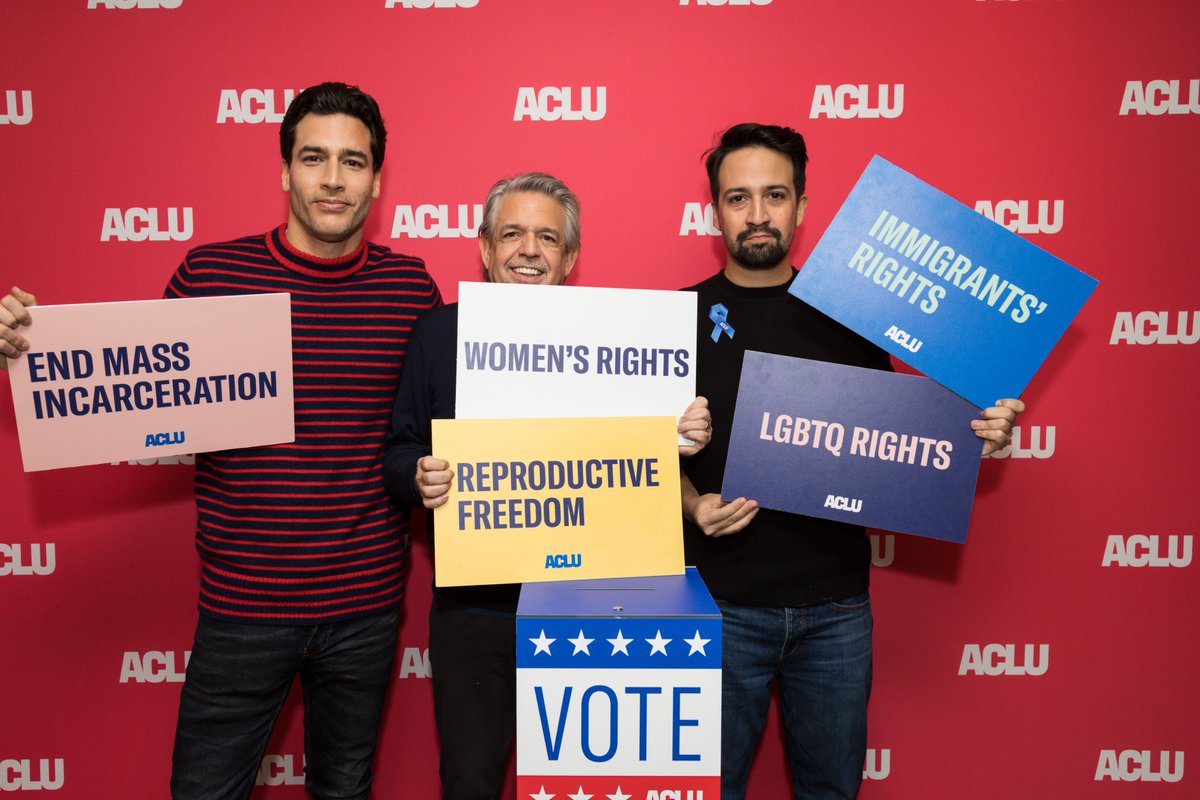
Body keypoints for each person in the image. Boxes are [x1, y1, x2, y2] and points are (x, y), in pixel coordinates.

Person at [0, 81, 441, 800]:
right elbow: (131, 390)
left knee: (345, 790)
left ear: (378, 179)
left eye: (353, 162)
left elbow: (428, 427)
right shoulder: (212, 276)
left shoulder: (409, 287)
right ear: (283, 170)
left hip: (365, 605)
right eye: (313, 158)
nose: (333, 179)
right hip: (244, 607)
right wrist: (29, 349)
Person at [679, 122, 1024, 800]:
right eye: (737, 197)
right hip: (717, 608)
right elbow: (638, 458)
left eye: (774, 195)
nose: (756, 214)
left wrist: (975, 433)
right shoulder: (674, 320)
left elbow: (900, 438)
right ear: (714, 211)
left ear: (802, 207)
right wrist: (691, 504)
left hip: (834, 611)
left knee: (833, 791)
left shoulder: (856, 316)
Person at [382, 171, 711, 800]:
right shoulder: (437, 335)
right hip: (475, 611)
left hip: (594, 607)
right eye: (512, 234)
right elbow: (399, 448)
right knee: (470, 783)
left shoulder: (621, 341)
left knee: (586, 789)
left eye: (547, 238)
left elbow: (657, 451)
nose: (529, 250)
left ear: (571, 257)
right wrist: (417, 473)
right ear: (484, 247)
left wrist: (685, 432)